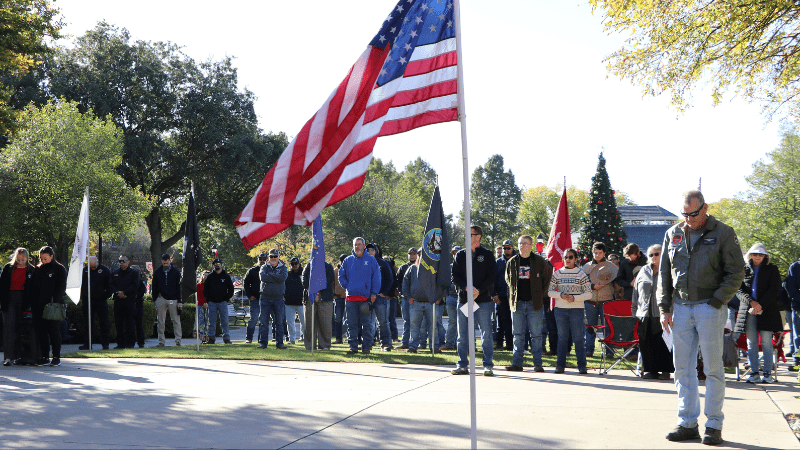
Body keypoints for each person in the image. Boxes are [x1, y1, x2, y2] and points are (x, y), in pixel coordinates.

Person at [658, 190, 745, 445]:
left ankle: (714, 425)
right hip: (681, 308)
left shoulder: (723, 232)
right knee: (682, 369)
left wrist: (717, 302)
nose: (689, 219)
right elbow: (664, 275)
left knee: (713, 369)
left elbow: (736, 272)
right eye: (684, 214)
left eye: (693, 214)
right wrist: (665, 308)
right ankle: (687, 423)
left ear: (705, 208)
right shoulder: (672, 234)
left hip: (710, 307)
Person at [732, 243, 782, 383]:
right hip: (748, 310)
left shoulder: (772, 269)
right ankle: (754, 372)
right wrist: (752, 303)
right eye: (755, 254)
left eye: (760, 254)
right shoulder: (742, 269)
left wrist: (760, 305)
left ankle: (767, 373)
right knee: (751, 342)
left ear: (765, 256)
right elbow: (739, 290)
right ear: (750, 255)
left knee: (766, 342)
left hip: (767, 310)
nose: (758, 257)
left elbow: (774, 289)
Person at [451, 226, 496, 376]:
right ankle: (462, 364)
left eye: (473, 234)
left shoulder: (487, 255)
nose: (471, 237)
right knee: (462, 334)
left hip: (483, 300)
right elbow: (455, 276)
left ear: (479, 236)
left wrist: (479, 291)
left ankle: (488, 365)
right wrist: (466, 288)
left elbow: (492, 277)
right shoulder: (460, 255)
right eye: (469, 234)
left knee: (486, 333)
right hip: (464, 300)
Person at [505, 235, 553, 372]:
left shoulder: (539, 261)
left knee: (536, 335)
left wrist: (538, 294)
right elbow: (508, 280)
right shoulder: (512, 262)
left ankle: (537, 364)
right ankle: (517, 364)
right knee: (518, 335)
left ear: (531, 245)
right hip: (517, 303)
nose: (522, 245)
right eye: (520, 243)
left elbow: (546, 279)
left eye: (525, 243)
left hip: (534, 304)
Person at [632, 244, 673, 380]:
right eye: (651, 255)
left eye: (657, 254)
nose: (653, 257)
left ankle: (666, 370)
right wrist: (635, 310)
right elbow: (636, 292)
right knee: (646, 342)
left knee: (664, 342)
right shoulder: (643, 270)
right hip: (644, 313)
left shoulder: (669, 270)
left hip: (663, 313)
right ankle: (651, 370)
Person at [548, 248, 592, 374]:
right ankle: (560, 366)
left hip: (576, 310)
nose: (568, 259)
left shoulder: (581, 274)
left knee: (578, 338)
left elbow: (589, 294)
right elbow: (550, 292)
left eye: (571, 257)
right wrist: (560, 295)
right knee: (562, 338)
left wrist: (575, 298)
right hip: (560, 310)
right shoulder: (557, 273)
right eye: (566, 257)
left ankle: (582, 366)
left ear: (576, 259)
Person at [338, 237, 381, 355]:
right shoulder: (347, 260)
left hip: (365, 298)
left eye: (359, 244)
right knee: (351, 324)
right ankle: (353, 347)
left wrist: (373, 293)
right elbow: (341, 276)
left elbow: (376, 277)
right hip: (351, 298)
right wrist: (348, 286)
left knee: (367, 324)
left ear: (364, 246)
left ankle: (366, 347)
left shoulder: (371, 260)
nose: (357, 246)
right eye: (355, 244)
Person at [30, 247, 67, 366]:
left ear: (51, 256)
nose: (43, 260)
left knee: (54, 331)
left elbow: (61, 287)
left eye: (45, 258)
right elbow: (33, 287)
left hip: (53, 306)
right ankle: (45, 356)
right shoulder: (38, 269)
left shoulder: (60, 269)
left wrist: (55, 300)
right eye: (41, 258)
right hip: (38, 305)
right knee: (41, 331)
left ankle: (56, 357)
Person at [582, 242, 618, 358]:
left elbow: (616, 284)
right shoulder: (586, 267)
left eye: (600, 253)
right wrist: (593, 286)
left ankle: (609, 351)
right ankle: (589, 350)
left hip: (606, 301)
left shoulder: (611, 267)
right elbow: (582, 284)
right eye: (595, 253)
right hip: (590, 301)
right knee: (590, 327)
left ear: (604, 253)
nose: (597, 255)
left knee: (607, 327)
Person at [1, 248, 35, 365]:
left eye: (23, 259)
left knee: (21, 328)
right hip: (9, 300)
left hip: (24, 301)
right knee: (9, 328)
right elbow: (2, 286)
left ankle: (19, 356)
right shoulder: (8, 268)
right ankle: (8, 357)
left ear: (27, 258)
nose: (20, 261)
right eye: (18, 259)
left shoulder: (32, 270)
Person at [402, 254, 440, 353]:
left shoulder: (434, 268)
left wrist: (438, 297)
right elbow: (405, 283)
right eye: (421, 255)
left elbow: (440, 283)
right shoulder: (412, 268)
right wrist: (408, 297)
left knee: (433, 326)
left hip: (431, 303)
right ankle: (413, 347)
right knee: (414, 326)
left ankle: (434, 347)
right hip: (416, 303)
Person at [79, 256, 111, 350]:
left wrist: (105, 295)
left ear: (97, 262)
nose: (93, 268)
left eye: (94, 266)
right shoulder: (84, 270)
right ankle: (87, 344)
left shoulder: (105, 270)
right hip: (87, 300)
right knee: (87, 323)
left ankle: (105, 344)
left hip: (101, 300)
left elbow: (110, 285)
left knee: (104, 322)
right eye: (91, 266)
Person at [302, 259, 335, 350]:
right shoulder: (308, 266)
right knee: (309, 323)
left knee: (325, 323)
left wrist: (319, 290)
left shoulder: (328, 266)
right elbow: (304, 280)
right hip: (310, 298)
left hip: (325, 298)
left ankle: (325, 345)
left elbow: (330, 279)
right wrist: (313, 291)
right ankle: (310, 346)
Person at [152, 254, 183, 347]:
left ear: (170, 261)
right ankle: (161, 341)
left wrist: (179, 301)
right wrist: (155, 299)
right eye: (164, 262)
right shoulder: (157, 272)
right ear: (162, 261)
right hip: (161, 298)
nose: (166, 264)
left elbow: (179, 287)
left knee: (176, 320)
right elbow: (154, 285)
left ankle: (178, 341)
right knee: (161, 321)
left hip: (173, 299)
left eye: (167, 262)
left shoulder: (176, 272)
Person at [259, 249, 288, 349]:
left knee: (279, 322)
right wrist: (276, 277)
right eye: (271, 256)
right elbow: (263, 277)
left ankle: (280, 344)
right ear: (269, 257)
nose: (273, 258)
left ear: (278, 257)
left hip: (279, 298)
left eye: (275, 256)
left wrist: (271, 275)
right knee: (264, 322)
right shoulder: (264, 267)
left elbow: (283, 278)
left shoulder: (283, 267)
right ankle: (263, 343)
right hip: (265, 298)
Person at [368, 243, 394, 351]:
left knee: (383, 322)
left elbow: (390, 279)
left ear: (376, 251)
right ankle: (368, 344)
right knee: (368, 322)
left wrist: (385, 292)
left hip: (380, 297)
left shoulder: (383, 263)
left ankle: (385, 344)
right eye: (368, 250)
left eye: (372, 250)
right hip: (367, 297)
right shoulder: (363, 263)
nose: (370, 252)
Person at [110, 254, 138, 350]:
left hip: (129, 300)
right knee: (119, 323)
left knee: (130, 323)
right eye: (120, 261)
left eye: (124, 261)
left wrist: (125, 292)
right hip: (118, 301)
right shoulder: (115, 273)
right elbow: (111, 285)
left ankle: (130, 343)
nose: (122, 263)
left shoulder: (134, 273)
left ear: (128, 262)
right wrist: (118, 292)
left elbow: (135, 285)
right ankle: (120, 343)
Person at [205, 259, 234, 345]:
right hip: (212, 303)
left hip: (223, 302)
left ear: (221, 265)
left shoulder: (226, 276)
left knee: (224, 321)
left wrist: (226, 299)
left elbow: (231, 289)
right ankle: (211, 339)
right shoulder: (210, 277)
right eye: (215, 264)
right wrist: (208, 300)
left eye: (218, 264)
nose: (217, 265)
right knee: (212, 322)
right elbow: (205, 289)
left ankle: (226, 339)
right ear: (213, 266)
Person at [493, 240, 515, 351]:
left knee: (512, 322)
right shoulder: (498, 262)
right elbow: (493, 280)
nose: (506, 250)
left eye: (508, 248)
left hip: (514, 297)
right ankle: (499, 344)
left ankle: (511, 345)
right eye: (505, 248)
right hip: (501, 296)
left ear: (512, 248)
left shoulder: (518, 260)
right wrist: (494, 295)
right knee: (500, 322)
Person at [396, 248, 418, 350]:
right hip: (405, 298)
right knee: (406, 321)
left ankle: (418, 343)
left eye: (414, 254)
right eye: (410, 254)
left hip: (417, 299)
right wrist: (402, 293)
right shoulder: (403, 267)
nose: (412, 256)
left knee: (417, 322)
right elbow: (397, 282)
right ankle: (404, 342)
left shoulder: (420, 267)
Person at [442, 246, 461, 351]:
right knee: (452, 321)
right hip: (451, 298)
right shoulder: (448, 267)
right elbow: (444, 282)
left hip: (463, 298)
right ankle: (449, 344)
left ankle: (462, 344)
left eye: (457, 252)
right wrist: (446, 294)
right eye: (454, 253)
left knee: (464, 322)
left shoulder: (467, 266)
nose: (455, 254)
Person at [244, 254, 266, 344]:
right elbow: (245, 283)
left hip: (265, 299)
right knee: (253, 319)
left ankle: (260, 339)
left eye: (264, 259)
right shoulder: (252, 271)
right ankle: (249, 338)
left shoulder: (268, 270)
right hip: (255, 299)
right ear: (258, 260)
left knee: (263, 320)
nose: (262, 260)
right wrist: (249, 296)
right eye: (260, 259)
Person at [284, 257, 305, 344]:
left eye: (295, 263)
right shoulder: (287, 274)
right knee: (290, 322)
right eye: (292, 264)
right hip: (289, 302)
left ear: (299, 264)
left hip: (302, 302)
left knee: (304, 321)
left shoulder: (304, 273)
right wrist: (284, 296)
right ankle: (292, 339)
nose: (294, 265)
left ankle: (303, 337)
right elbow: (283, 286)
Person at [786, 256, 800, 369]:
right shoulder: (795, 267)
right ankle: (797, 360)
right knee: (797, 335)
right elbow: (791, 288)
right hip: (797, 307)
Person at [332, 254, 347, 345]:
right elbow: (332, 284)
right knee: (338, 319)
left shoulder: (350, 269)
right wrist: (334, 295)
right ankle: (338, 338)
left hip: (349, 298)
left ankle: (350, 337)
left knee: (350, 319)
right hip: (338, 298)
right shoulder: (335, 271)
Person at [195, 271, 210, 344]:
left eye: (207, 275)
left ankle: (207, 338)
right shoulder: (198, 285)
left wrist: (207, 303)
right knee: (201, 322)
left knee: (208, 322)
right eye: (204, 275)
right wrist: (202, 303)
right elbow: (197, 296)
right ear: (202, 276)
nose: (206, 276)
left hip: (208, 305)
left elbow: (211, 295)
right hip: (200, 305)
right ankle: (201, 338)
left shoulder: (211, 285)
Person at [134, 270, 147, 348]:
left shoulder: (140, 282)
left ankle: (141, 342)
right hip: (134, 303)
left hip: (138, 304)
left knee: (139, 324)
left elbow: (142, 292)